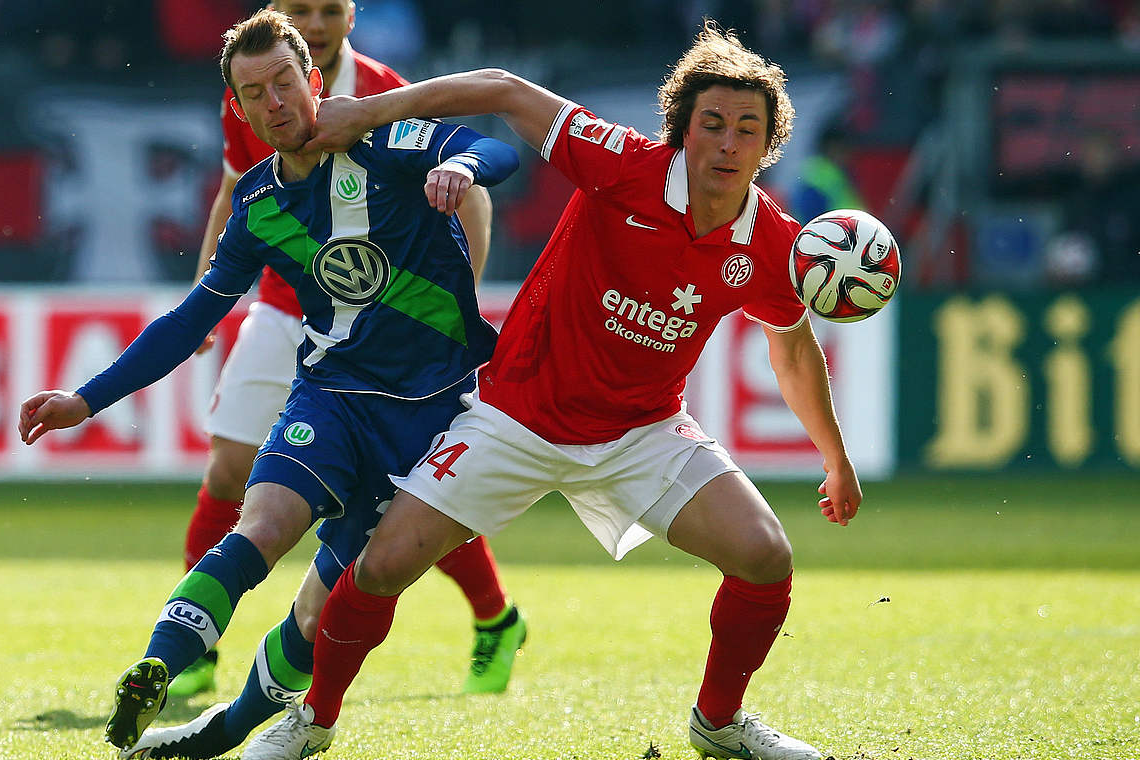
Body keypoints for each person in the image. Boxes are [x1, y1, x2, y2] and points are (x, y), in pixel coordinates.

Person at [244, 21, 862, 760]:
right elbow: (502, 89)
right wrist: (370, 111)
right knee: (379, 567)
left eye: (747, 129)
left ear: (769, 146)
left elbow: (792, 348)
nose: (728, 143)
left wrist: (834, 456)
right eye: (713, 124)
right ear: (683, 131)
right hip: (517, 417)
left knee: (766, 556)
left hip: (644, 432)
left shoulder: (770, 243)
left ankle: (719, 724)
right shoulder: (623, 164)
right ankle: (312, 721)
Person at [16, 9, 520, 758]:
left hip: (433, 416)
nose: (275, 102)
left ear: (312, 79)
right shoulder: (257, 206)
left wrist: (464, 167)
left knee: (320, 609)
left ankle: (228, 726)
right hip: (332, 395)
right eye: (255, 93)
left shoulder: (388, 141)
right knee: (259, 526)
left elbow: (496, 146)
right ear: (240, 108)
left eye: (284, 82)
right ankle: (160, 662)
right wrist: (83, 400)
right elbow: (187, 323)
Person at [174, 0, 524, 701]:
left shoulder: (385, 91)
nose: (315, 22)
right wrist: (205, 283)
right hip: (283, 301)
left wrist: (452, 310)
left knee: (407, 499)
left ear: (351, 16)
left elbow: (474, 192)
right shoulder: (251, 89)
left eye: (329, 9)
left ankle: (495, 619)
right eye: (299, 10)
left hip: (386, 320)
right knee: (229, 470)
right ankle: (195, 650)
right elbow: (234, 188)